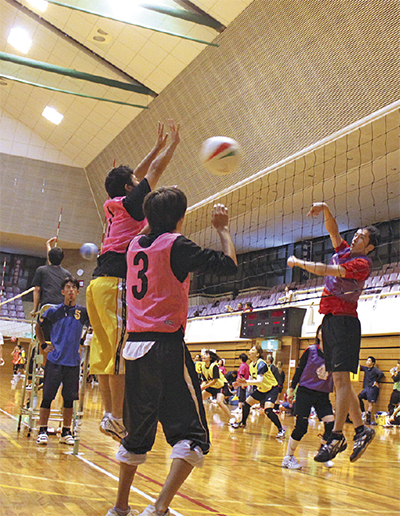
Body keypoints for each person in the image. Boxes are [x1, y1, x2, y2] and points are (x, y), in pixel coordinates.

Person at [106, 188, 237, 516]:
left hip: (133, 348)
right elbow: (229, 266)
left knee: (136, 433)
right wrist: (222, 229)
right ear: (182, 216)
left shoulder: (134, 245)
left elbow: (145, 231)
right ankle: (159, 507)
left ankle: (120, 508)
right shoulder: (176, 245)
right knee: (193, 434)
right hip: (164, 346)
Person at [86, 121, 180, 442]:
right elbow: (153, 172)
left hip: (96, 284)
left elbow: (136, 176)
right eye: (135, 184)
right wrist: (172, 145)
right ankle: (115, 416)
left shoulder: (113, 204)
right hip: (114, 282)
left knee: (104, 352)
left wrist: (154, 147)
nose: (140, 184)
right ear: (129, 188)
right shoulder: (130, 204)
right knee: (118, 353)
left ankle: (109, 415)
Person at [287, 201, 380, 463]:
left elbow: (327, 270)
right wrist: (326, 209)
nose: (356, 237)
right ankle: (361, 430)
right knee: (342, 382)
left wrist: (299, 262)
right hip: (330, 321)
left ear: (369, 247)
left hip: (344, 323)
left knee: (340, 382)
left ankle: (337, 435)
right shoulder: (345, 251)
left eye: (362, 237)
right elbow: (334, 232)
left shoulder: (361, 263)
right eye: (357, 233)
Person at [35, 277, 89, 446]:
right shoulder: (53, 311)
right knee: (47, 397)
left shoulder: (82, 312)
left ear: (78, 292)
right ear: (62, 291)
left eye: (74, 287)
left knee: (69, 399)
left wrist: (81, 343)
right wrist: (44, 345)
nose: (71, 290)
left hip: (72, 363)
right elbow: (38, 326)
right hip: (55, 361)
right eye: (68, 287)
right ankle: (42, 430)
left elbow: (92, 326)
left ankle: (66, 431)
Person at [282, 325, 335, 469]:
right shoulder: (310, 350)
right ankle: (288, 457)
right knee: (301, 427)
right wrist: (291, 389)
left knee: (331, 424)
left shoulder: (334, 354)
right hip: (305, 392)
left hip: (322, 394)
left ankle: (322, 453)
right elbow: (299, 370)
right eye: (323, 331)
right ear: (318, 335)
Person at [232, 344, 285, 437]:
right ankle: (243, 423)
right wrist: (240, 384)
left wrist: (246, 382)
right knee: (246, 404)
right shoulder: (251, 365)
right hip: (262, 389)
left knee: (268, 410)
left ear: (257, 354)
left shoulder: (261, 363)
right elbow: (251, 380)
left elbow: (259, 381)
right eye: (250, 349)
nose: (250, 351)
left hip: (271, 389)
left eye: (253, 350)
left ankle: (281, 430)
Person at [30, 238, 71, 319]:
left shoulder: (41, 270)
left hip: (46, 307)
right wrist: (48, 245)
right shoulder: (67, 274)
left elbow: (37, 290)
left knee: (40, 326)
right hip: (61, 308)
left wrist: (35, 309)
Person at [201, 350, 235, 425]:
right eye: (204, 354)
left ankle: (231, 418)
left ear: (210, 358)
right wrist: (201, 387)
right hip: (212, 386)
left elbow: (215, 380)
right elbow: (205, 380)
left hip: (221, 386)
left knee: (219, 402)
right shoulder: (203, 367)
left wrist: (204, 387)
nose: (204, 356)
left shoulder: (214, 366)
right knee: (199, 399)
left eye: (206, 355)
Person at [358, 356, 384, 425]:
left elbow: (381, 374)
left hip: (372, 389)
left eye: (369, 361)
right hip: (366, 388)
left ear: (373, 363)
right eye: (367, 360)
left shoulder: (375, 370)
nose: (367, 362)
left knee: (370, 403)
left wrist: (376, 381)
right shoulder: (366, 369)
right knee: (359, 397)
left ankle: (368, 419)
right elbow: (359, 366)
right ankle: (364, 412)